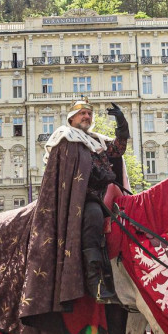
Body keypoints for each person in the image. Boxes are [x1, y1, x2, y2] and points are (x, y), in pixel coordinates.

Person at [41, 99, 129, 300]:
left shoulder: (97, 140)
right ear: (72, 118)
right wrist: (95, 174)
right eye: (82, 113)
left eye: (89, 114)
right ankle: (94, 282)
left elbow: (118, 150)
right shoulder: (65, 137)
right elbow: (68, 170)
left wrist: (122, 124)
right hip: (79, 199)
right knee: (93, 215)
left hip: (102, 196)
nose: (87, 117)